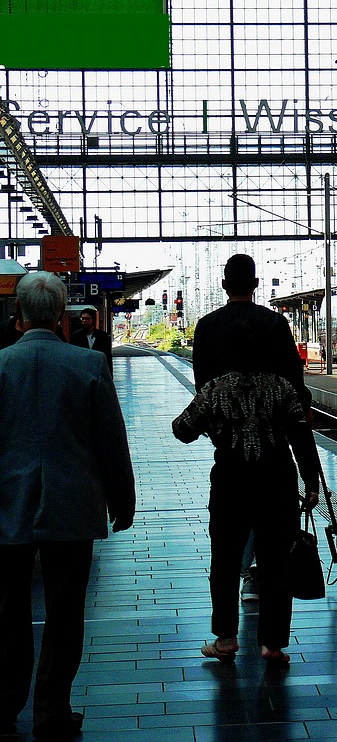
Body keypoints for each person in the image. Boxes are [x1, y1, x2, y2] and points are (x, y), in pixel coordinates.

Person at [0, 271, 135, 739]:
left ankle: (4, 704)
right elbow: (111, 440)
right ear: (61, 315)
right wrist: (122, 499)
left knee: (6, 610)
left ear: (18, 315)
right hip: (72, 505)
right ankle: (51, 710)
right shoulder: (88, 364)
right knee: (64, 610)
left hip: (6, 507)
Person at [188, 254, 318, 664]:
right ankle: (272, 644)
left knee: (225, 558)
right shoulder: (277, 328)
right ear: (256, 283)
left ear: (224, 284)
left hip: (230, 470)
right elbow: (299, 414)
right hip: (277, 472)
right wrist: (312, 482)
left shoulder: (207, 327)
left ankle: (226, 638)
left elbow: (197, 399)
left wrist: (218, 420)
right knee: (276, 559)